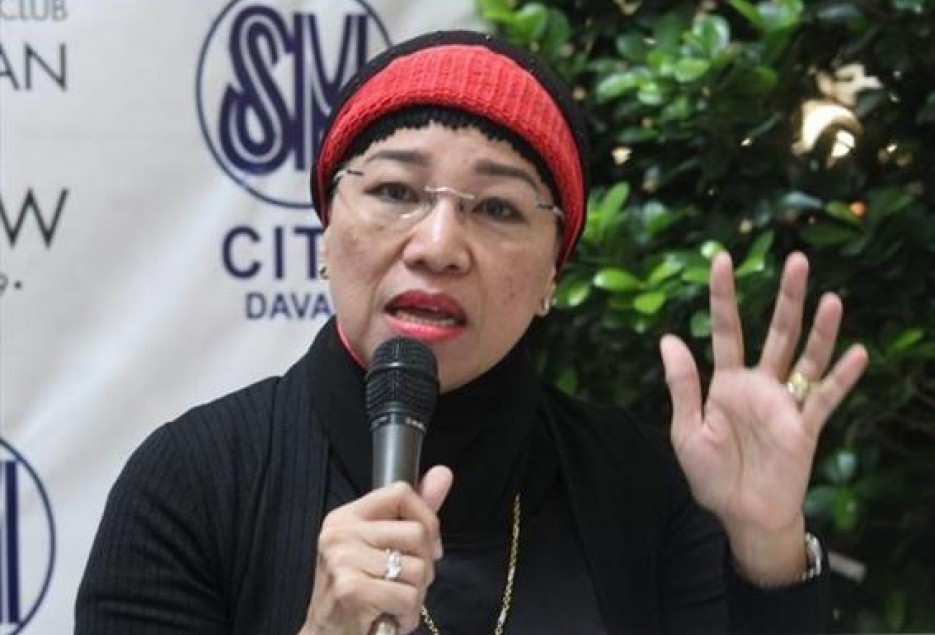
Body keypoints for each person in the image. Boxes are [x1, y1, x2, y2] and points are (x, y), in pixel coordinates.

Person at [75, 30, 868, 635]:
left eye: (496, 208)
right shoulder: (192, 481)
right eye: (395, 190)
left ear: (553, 270)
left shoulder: (635, 483)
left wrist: (764, 547)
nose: (438, 245)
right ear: (324, 228)